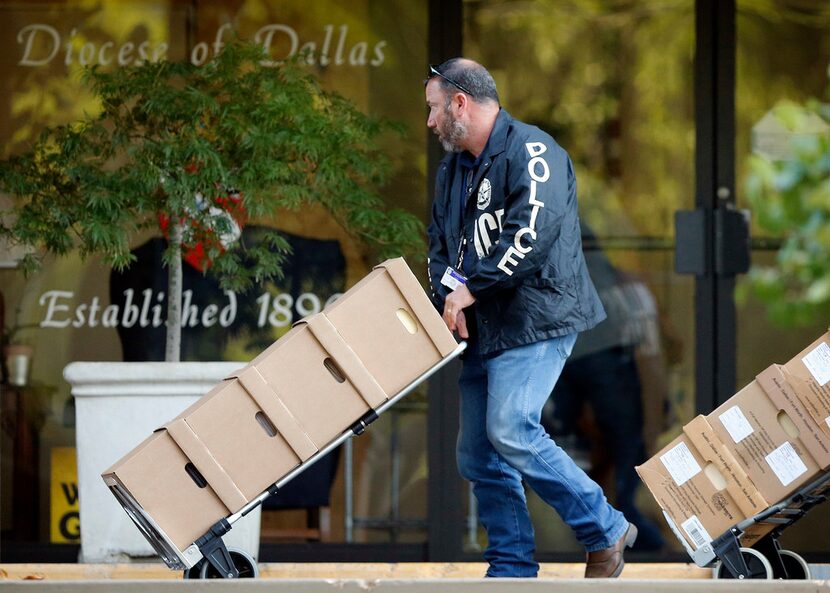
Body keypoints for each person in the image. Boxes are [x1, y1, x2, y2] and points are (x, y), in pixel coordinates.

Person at [424, 58, 636, 578]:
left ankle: (604, 528)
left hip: (538, 316)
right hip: (482, 326)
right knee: (477, 454)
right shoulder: (452, 170)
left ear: (460, 102)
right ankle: (513, 567)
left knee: (512, 427)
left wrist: (471, 289)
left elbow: (531, 236)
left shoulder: (534, 150)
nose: (429, 122)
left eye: (432, 108)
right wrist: (448, 297)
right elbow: (440, 245)